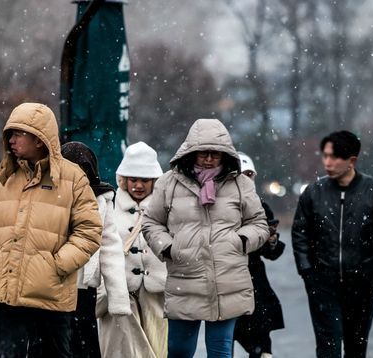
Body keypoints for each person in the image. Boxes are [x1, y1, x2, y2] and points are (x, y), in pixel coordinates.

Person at [0, 103, 103, 358]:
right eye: (9, 134)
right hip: (8, 294)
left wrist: (56, 265)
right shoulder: (4, 177)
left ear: (40, 139)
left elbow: (90, 230)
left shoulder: (72, 178)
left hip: (51, 297)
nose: (11, 140)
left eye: (18, 133)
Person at [142, 118, 269, 358]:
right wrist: (169, 247)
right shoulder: (168, 183)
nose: (209, 159)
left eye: (215, 153)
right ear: (191, 152)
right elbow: (151, 222)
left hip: (227, 280)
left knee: (220, 350)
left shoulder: (241, 183)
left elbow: (258, 223)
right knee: (180, 350)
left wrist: (240, 241)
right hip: (184, 277)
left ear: (225, 154)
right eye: (203, 153)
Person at [292, 130, 373, 358]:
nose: (328, 162)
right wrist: (308, 272)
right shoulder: (314, 193)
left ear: (352, 160)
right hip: (323, 285)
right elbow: (300, 233)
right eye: (326, 156)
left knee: (356, 347)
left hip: (362, 285)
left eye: (334, 157)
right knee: (327, 347)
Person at [60, 141, 132, 358]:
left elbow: (111, 248)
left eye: (82, 170)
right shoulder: (52, 196)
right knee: (58, 345)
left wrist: (118, 298)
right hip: (55, 283)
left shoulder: (102, 199)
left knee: (85, 346)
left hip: (85, 288)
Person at [99, 141, 168, 358]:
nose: (138, 185)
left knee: (157, 350)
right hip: (119, 296)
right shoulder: (107, 207)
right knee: (121, 352)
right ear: (124, 179)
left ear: (154, 181)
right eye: (133, 179)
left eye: (145, 180)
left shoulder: (167, 209)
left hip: (157, 297)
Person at [232, 152, 285, 358]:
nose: (245, 180)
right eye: (240, 175)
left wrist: (270, 240)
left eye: (249, 175)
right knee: (224, 341)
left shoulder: (261, 207)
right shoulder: (215, 206)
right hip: (225, 281)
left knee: (263, 346)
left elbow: (270, 253)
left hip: (255, 283)